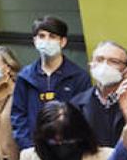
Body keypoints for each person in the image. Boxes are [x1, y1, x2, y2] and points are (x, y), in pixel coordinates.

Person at [11, 15, 91, 152]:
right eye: (41, 36)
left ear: (63, 41)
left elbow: (83, 117)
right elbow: (18, 115)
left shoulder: (78, 77)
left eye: (52, 36)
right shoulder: (25, 77)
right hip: (33, 151)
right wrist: (28, 147)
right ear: (35, 41)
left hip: (69, 152)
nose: (46, 41)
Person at [69, 40, 127, 147]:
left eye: (113, 61)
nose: (104, 66)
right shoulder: (75, 105)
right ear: (91, 66)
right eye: (99, 60)